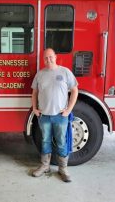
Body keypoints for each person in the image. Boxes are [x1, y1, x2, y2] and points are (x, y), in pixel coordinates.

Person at [31, 48, 78, 182]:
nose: (48, 60)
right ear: (43, 60)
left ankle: (63, 169)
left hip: (60, 116)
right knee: (45, 140)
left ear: (56, 57)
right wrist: (35, 108)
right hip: (44, 116)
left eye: (50, 57)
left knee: (61, 142)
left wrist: (68, 110)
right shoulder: (40, 74)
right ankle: (45, 166)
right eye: (46, 58)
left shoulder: (65, 72)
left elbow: (75, 91)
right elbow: (34, 93)